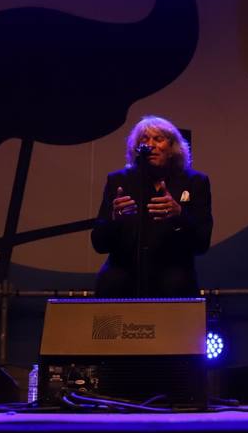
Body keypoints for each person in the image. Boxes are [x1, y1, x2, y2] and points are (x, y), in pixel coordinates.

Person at [91, 116, 213, 298]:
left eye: (158, 139)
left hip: (172, 268)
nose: (151, 145)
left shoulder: (195, 181)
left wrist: (179, 215)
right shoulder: (119, 181)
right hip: (125, 268)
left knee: (176, 282)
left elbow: (202, 243)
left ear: (172, 148)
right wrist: (114, 221)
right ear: (137, 148)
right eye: (144, 139)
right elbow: (99, 244)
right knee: (111, 282)